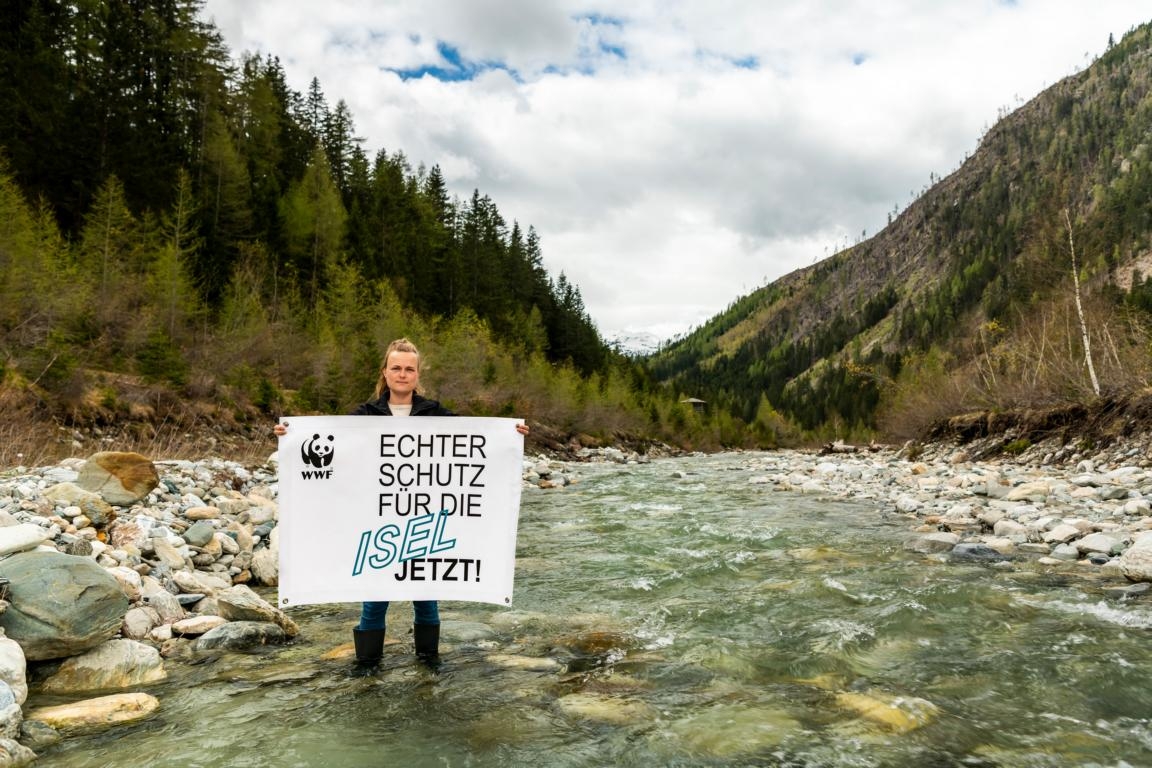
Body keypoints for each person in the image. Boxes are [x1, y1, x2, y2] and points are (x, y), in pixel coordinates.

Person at [274, 337, 529, 673]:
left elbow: (475, 444)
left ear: (417, 374)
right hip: (378, 520)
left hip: (422, 519)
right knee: (374, 596)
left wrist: (512, 436)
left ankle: (428, 663)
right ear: (385, 371)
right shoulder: (365, 415)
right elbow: (336, 448)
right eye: (396, 367)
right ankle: (367, 666)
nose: (403, 374)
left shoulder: (435, 413)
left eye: (409, 369)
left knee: (426, 595)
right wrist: (290, 437)